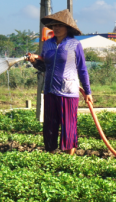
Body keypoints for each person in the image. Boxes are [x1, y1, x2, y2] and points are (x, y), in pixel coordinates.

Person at [27, 9, 93, 155]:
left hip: (68, 91)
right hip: (50, 90)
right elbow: (44, 66)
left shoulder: (75, 45)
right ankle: (51, 153)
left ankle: (70, 156)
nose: (56, 28)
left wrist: (87, 92)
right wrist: (34, 62)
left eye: (59, 25)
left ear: (67, 27)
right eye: (54, 25)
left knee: (68, 125)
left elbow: (82, 69)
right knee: (50, 125)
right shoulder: (48, 44)